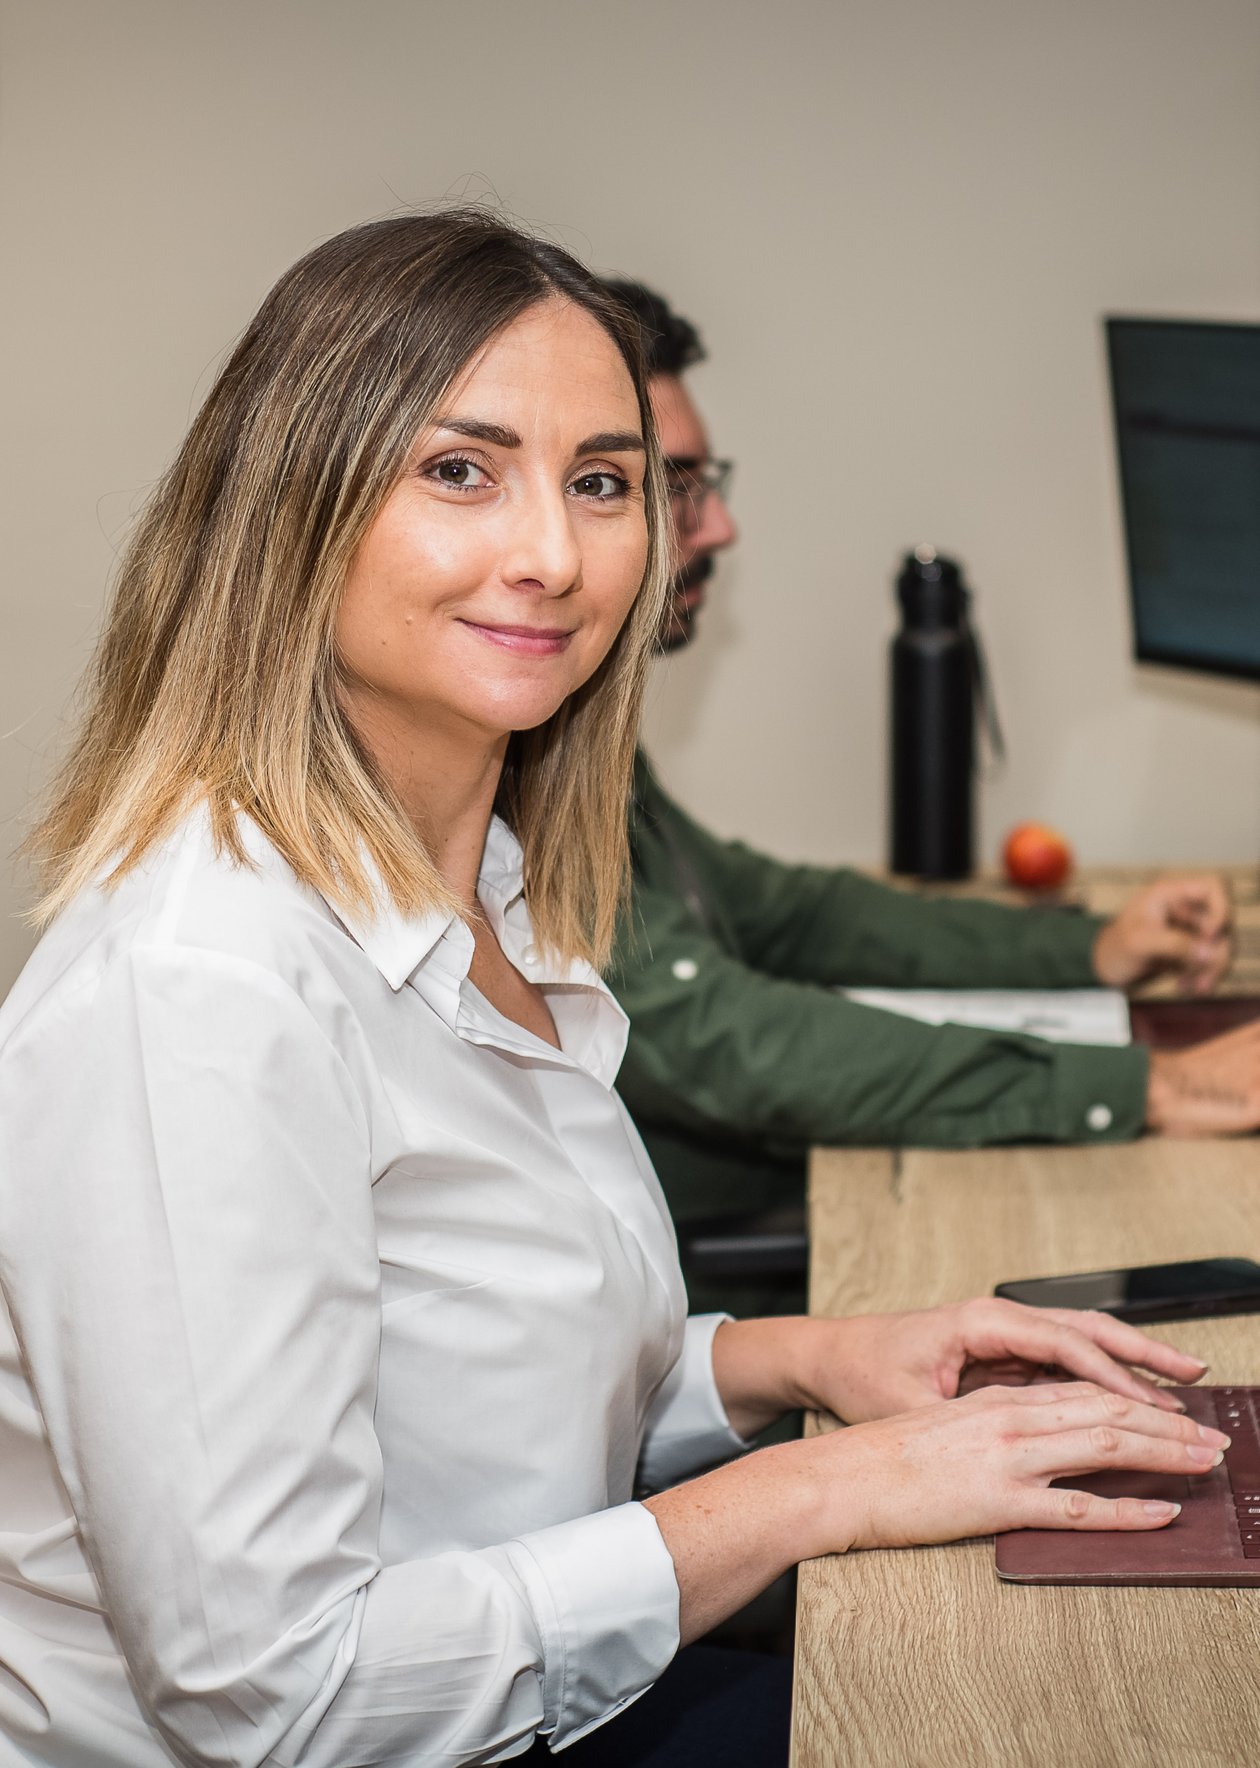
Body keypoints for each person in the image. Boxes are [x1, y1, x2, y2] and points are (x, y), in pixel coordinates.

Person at [0, 211, 1226, 1768]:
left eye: (602, 481)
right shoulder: (198, 998)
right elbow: (275, 1695)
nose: (556, 555)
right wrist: (819, 1485)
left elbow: (484, 1407)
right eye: (461, 470)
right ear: (290, 510)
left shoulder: (497, 882)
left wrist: (814, 1359)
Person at [601, 278, 1260, 1251]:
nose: (722, 528)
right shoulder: (500, 758)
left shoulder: (574, 735)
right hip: (701, 1284)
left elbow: (784, 910)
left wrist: (1085, 952)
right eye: (678, 485)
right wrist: (1155, 1084)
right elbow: (720, 1034)